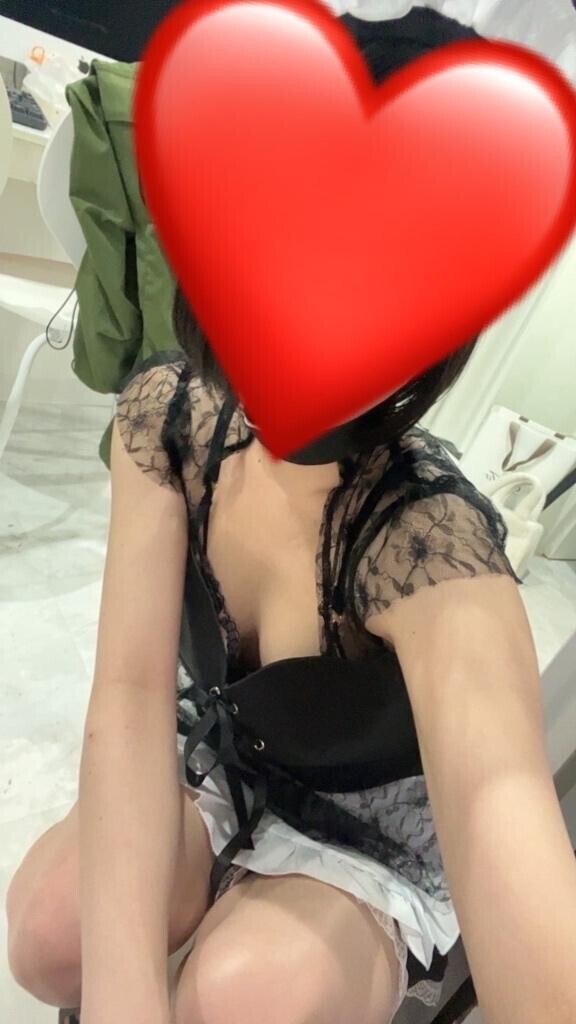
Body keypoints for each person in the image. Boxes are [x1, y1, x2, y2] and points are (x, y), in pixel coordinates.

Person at [7, 10, 576, 1024]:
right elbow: (130, 694)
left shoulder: (429, 548)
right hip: (228, 756)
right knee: (54, 928)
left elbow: (502, 809)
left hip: (373, 829)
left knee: (242, 996)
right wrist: (127, 995)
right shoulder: (170, 418)